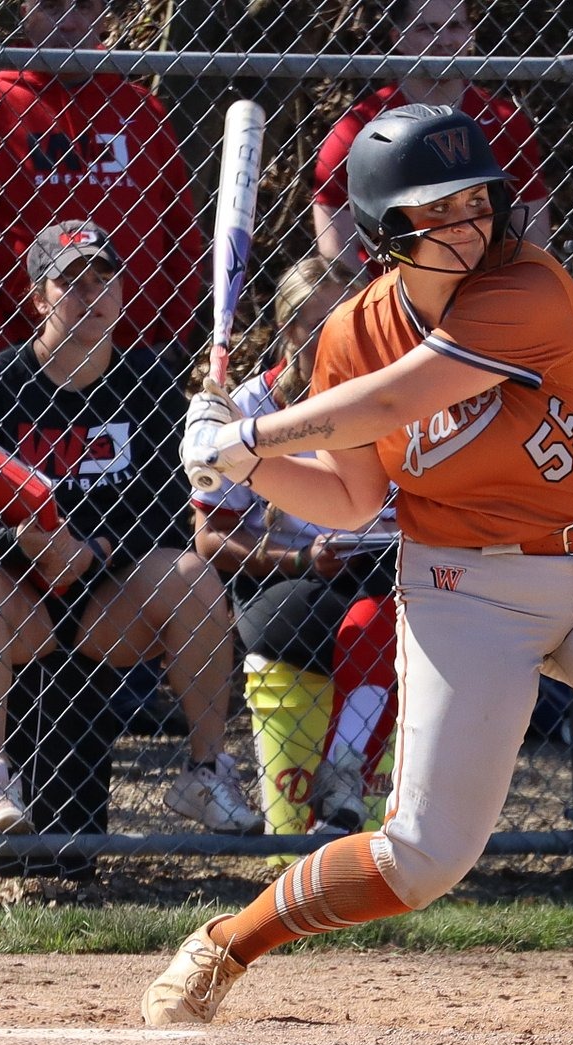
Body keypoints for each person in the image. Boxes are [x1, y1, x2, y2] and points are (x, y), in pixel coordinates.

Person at [145, 106, 573, 1041]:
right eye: (442, 209)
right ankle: (226, 943)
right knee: (424, 856)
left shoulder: (531, 289)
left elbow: (396, 398)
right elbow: (353, 498)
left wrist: (252, 432)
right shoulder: (351, 333)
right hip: (466, 591)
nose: (473, 223)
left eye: (480, 201)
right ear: (390, 230)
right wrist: (235, 464)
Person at [0, 221, 261, 838]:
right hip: (17, 593)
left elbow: (167, 502)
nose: (91, 294)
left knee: (194, 580)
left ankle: (207, 771)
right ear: (39, 298)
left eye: (104, 279)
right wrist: (19, 544)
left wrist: (96, 549)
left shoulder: (148, 385)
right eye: (72, 281)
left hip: (110, 594)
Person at [192, 258, 398, 837]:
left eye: (342, 322)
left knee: (380, 614)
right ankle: (341, 786)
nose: (329, 336)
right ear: (286, 328)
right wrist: (301, 558)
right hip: (292, 584)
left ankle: (340, 785)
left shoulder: (390, 394)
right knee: (365, 618)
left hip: (385, 569)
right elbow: (211, 535)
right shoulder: (254, 405)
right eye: (312, 323)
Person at [0, 0, 203, 360]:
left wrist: (172, 340)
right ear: (26, 13)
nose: (70, 24)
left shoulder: (142, 112)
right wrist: (5, 353)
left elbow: (182, 235)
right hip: (31, 360)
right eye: (52, 7)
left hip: (138, 361)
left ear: (104, 15)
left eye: (84, 7)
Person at [310, 0, 551, 265]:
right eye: (427, 28)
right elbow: (335, 243)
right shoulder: (360, 125)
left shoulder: (503, 120)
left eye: (455, 26)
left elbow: (532, 225)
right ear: (398, 38)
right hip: (389, 289)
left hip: (483, 289)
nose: (444, 40)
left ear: (471, 33)